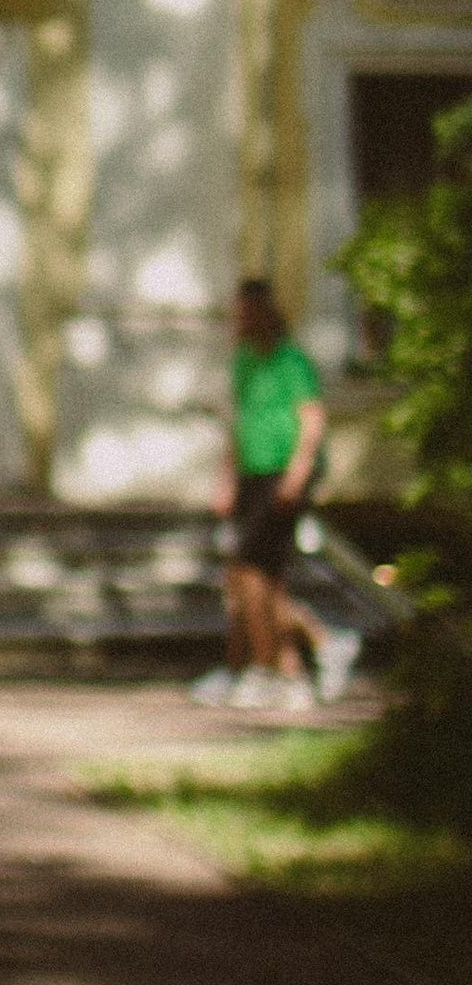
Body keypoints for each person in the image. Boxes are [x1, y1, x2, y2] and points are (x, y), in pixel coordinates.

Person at [190, 276, 350, 711]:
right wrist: (226, 479)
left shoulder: (291, 361)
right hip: (252, 474)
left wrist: (296, 477)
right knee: (262, 579)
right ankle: (297, 661)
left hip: (283, 476)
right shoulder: (243, 361)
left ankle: (266, 669)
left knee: (248, 570)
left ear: (262, 313)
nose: (236, 321)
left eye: (243, 313)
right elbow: (237, 425)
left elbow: (311, 421)